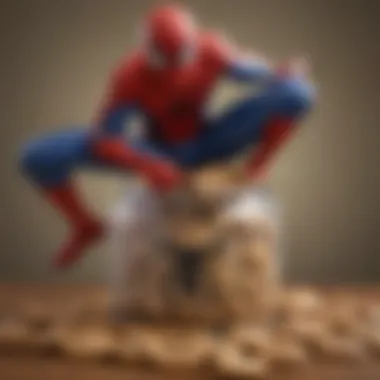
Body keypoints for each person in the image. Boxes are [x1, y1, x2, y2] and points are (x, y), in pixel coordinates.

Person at [19, 4, 316, 269]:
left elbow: (258, 73)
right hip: (157, 151)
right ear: (147, 49)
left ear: (193, 41)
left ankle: (256, 169)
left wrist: (282, 71)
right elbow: (106, 139)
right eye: (164, 59)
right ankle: (85, 225)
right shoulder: (130, 75)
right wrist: (147, 164)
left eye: (181, 57)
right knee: (39, 156)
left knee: (298, 93)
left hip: (210, 142)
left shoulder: (212, 50)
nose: (174, 68)